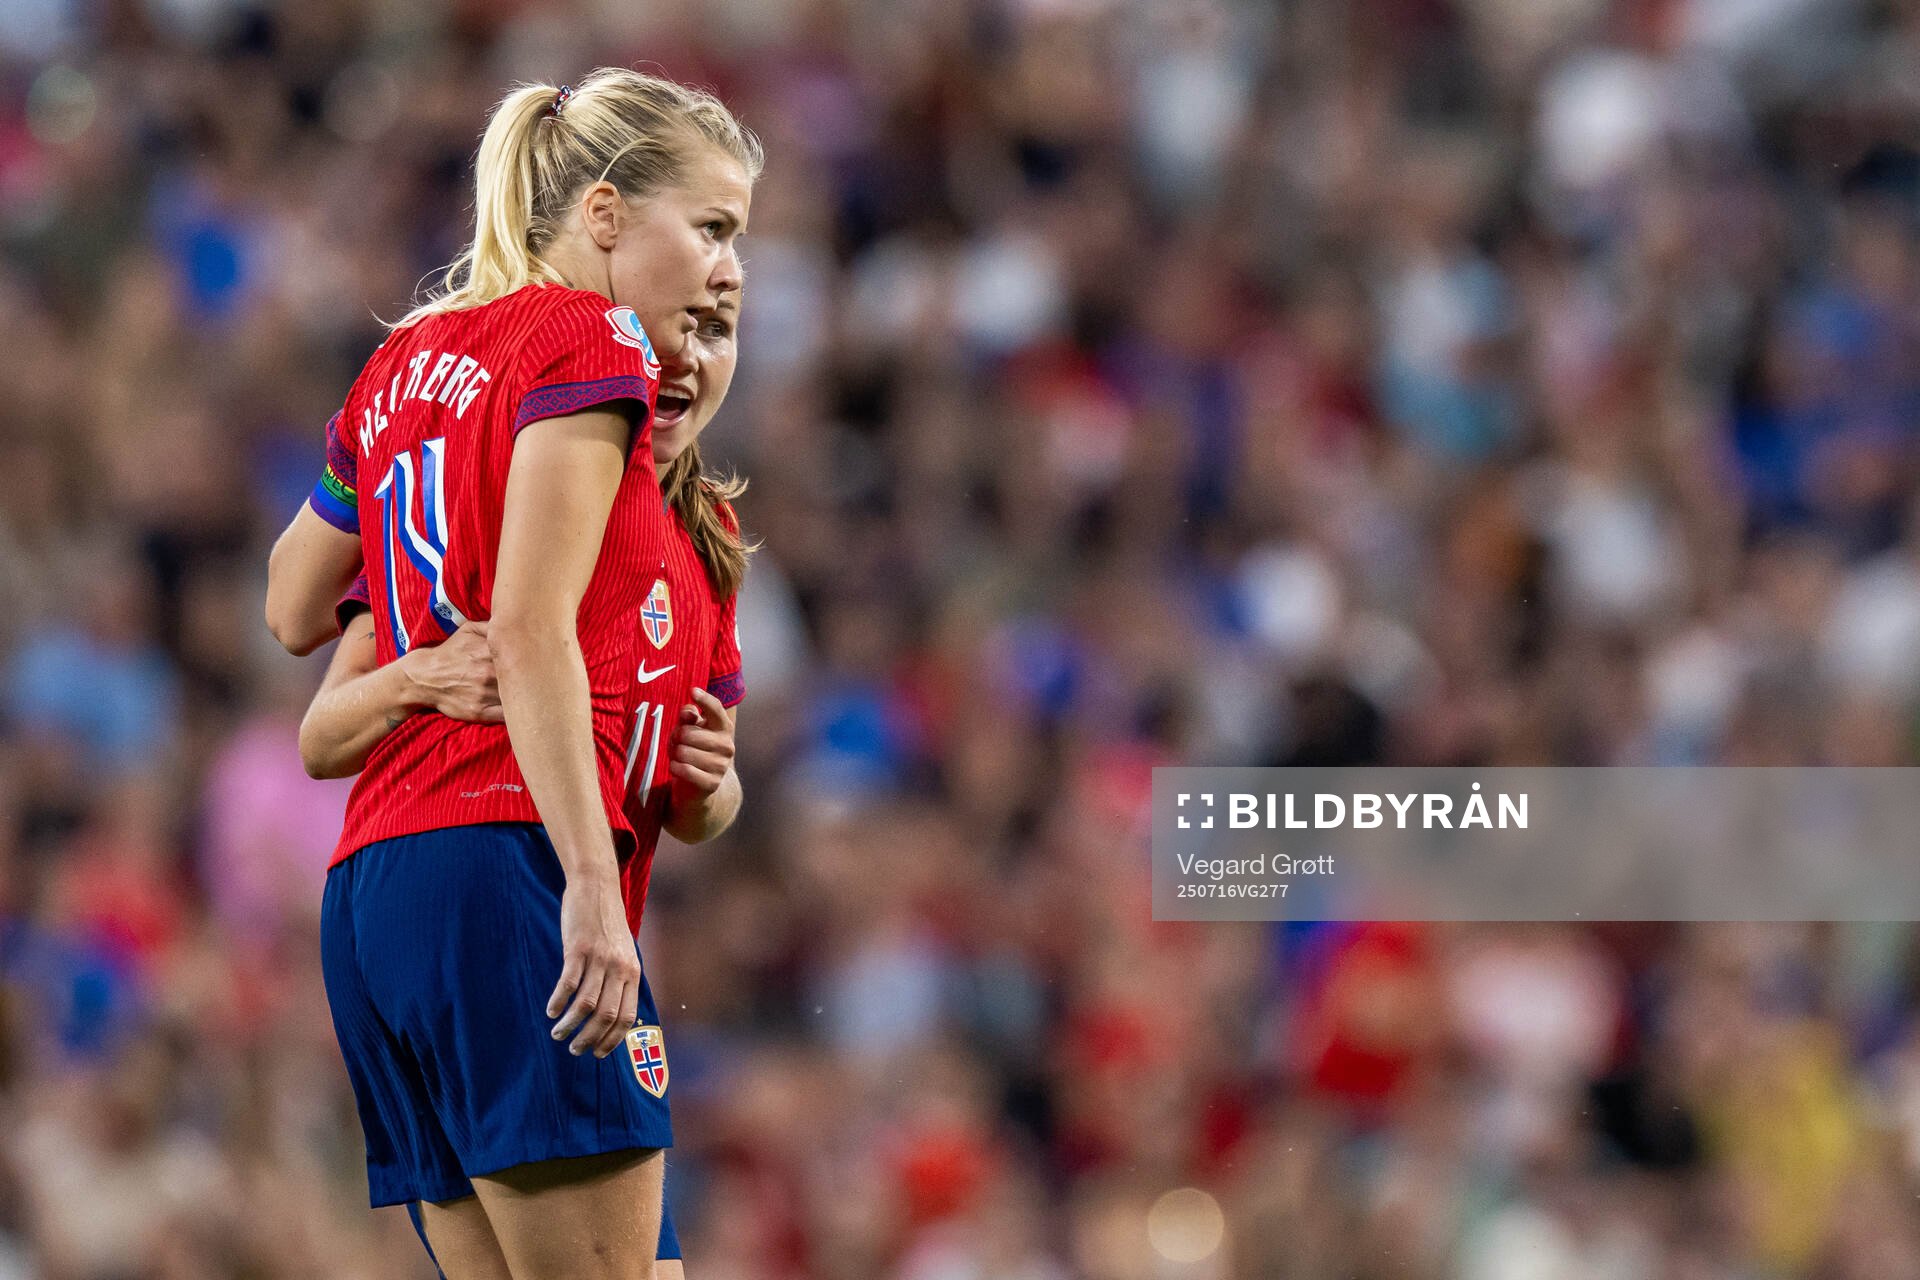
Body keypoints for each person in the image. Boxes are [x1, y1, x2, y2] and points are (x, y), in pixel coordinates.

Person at [261, 68, 758, 1279]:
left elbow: (291, 605)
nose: (727, 272)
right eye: (712, 228)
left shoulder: (415, 361)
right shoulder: (589, 339)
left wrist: (706, 786)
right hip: (510, 867)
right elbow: (529, 630)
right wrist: (591, 882)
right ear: (599, 214)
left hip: (386, 890)